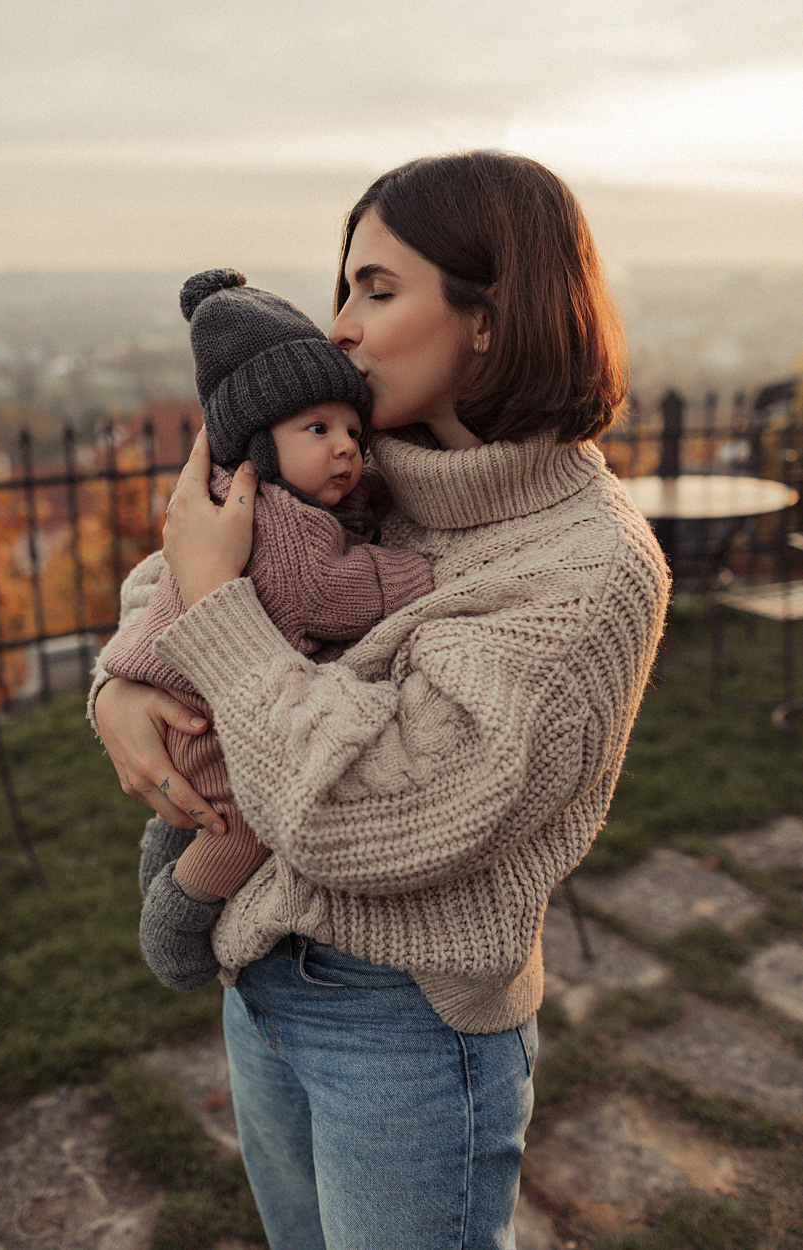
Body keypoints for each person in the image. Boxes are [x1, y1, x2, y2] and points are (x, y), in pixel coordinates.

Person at [90, 151, 670, 1250]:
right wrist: (121, 683)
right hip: (258, 970)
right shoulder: (358, 465)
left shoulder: (586, 568)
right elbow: (176, 566)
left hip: (403, 1022)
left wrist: (211, 610)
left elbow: (370, 812)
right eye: (341, 285)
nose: (340, 324)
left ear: (488, 318)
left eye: (376, 287)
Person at [101, 269, 434, 991]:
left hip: (173, 705)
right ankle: (180, 917)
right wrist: (419, 574)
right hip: (214, 727)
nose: (346, 447)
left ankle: (163, 854)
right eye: (317, 430)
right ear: (255, 446)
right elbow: (331, 592)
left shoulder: (232, 504)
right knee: (238, 823)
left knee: (185, 812)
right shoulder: (283, 531)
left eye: (352, 429)